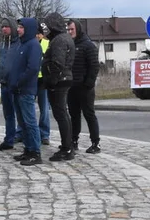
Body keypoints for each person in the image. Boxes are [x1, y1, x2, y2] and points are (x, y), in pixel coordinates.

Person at [41, 13, 76, 161]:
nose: (46, 29)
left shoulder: (59, 40)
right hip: (64, 78)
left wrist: (51, 81)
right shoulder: (64, 38)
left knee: (61, 114)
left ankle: (67, 148)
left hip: (59, 80)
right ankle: (67, 146)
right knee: (62, 114)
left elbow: (57, 63)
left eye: (48, 26)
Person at [12, 18, 44, 166]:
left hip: (26, 89)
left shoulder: (33, 45)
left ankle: (35, 152)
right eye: (18, 27)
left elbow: (32, 69)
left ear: (29, 29)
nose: (18, 30)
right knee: (23, 122)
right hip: (18, 90)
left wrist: (19, 82)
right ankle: (28, 149)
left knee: (30, 122)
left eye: (21, 27)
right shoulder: (22, 44)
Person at [67, 19, 101, 153]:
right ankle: (73, 140)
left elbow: (94, 66)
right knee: (74, 115)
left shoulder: (88, 45)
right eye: (68, 30)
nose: (70, 32)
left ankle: (95, 143)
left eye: (72, 29)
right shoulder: (69, 45)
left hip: (85, 88)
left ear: (78, 29)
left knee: (89, 114)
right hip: (71, 87)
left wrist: (88, 83)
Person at [0, 19, 21, 151]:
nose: (4, 29)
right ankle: (9, 140)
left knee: (21, 114)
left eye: (7, 26)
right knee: (8, 114)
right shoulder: (2, 44)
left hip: (16, 84)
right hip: (4, 84)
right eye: (2, 26)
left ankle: (26, 139)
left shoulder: (19, 44)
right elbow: (0, 63)